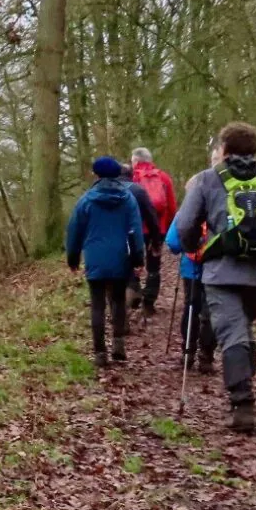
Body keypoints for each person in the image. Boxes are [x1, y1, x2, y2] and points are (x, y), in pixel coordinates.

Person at [171, 122, 256, 433]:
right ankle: (244, 383)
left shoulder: (207, 180)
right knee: (241, 328)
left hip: (219, 272)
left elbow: (184, 225)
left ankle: (243, 403)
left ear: (225, 149)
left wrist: (193, 247)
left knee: (233, 332)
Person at [66, 156, 146, 370]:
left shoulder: (86, 200)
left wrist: (73, 257)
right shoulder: (128, 199)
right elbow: (136, 230)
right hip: (121, 257)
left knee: (98, 305)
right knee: (118, 300)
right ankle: (118, 344)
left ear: (97, 174)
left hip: (95, 257)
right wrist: (138, 257)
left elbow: (74, 231)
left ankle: (100, 353)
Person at [130, 148, 177, 313]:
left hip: (135, 229)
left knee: (132, 261)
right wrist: (168, 226)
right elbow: (171, 207)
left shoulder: (131, 179)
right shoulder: (163, 178)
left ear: (135, 161)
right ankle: (149, 302)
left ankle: (133, 294)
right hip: (158, 229)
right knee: (154, 266)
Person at [165, 220, 215, 375]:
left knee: (191, 307)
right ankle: (206, 356)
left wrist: (184, 247)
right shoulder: (221, 207)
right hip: (215, 268)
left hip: (191, 267)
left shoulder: (187, 211)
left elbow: (173, 243)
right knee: (211, 311)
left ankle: (188, 352)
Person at [123, 167, 164, 319]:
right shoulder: (142, 188)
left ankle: (126, 306)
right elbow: (154, 214)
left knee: (125, 269)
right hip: (141, 233)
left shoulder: (104, 189)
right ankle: (148, 302)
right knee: (151, 267)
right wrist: (157, 238)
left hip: (117, 237)